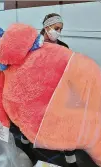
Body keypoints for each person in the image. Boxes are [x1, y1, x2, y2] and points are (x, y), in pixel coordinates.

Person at [19, 13, 78, 167]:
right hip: (35, 92)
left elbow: (68, 68)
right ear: (47, 27)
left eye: (61, 29)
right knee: (30, 122)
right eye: (56, 28)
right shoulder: (33, 46)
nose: (58, 32)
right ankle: (25, 146)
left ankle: (70, 159)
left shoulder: (63, 47)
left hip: (56, 92)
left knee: (64, 123)